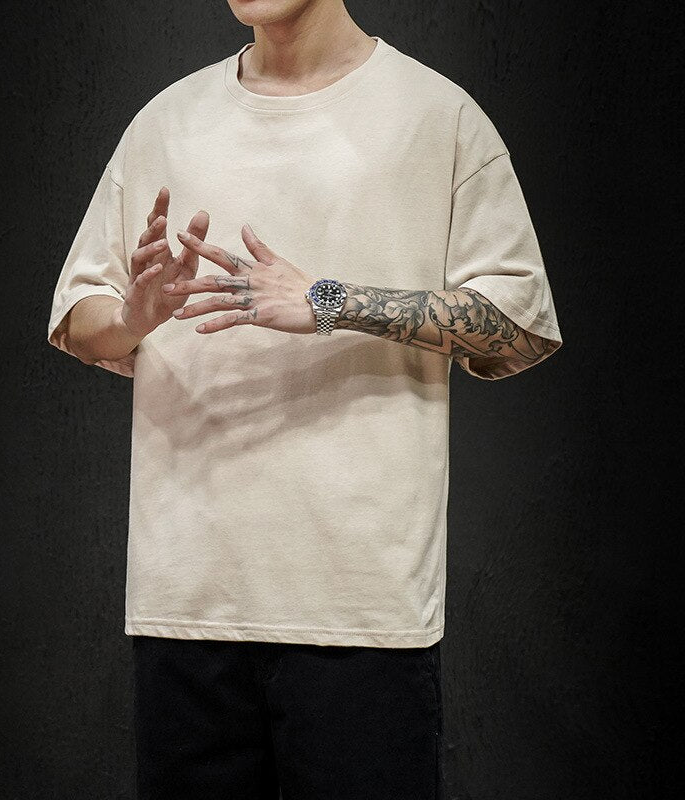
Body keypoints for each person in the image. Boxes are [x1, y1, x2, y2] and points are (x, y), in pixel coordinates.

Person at [46, 1, 563, 797]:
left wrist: (329, 301)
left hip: (361, 612)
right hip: (188, 604)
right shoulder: (166, 122)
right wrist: (132, 319)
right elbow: (79, 320)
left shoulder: (437, 116)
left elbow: (521, 329)